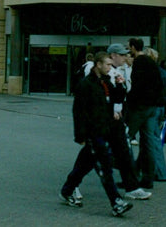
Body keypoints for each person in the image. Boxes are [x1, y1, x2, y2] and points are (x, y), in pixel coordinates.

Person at [59, 51, 133, 217]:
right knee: (105, 167)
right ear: (98, 65)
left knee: (84, 164)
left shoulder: (106, 82)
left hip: (105, 130)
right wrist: (80, 136)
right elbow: (78, 111)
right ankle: (116, 202)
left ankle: (67, 189)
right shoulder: (86, 85)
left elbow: (116, 99)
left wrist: (120, 85)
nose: (110, 67)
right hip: (93, 132)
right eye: (107, 64)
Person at [106, 43, 151, 200]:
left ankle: (131, 187)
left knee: (124, 152)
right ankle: (70, 187)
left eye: (126, 54)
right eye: (122, 55)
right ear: (113, 56)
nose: (126, 57)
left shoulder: (119, 71)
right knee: (92, 156)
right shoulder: (108, 72)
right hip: (109, 118)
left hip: (118, 117)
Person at [125, 38, 162, 188]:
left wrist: (129, 102)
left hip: (140, 106)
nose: (129, 51)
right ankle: (148, 178)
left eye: (129, 48)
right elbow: (159, 84)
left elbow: (137, 86)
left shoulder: (139, 63)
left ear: (133, 47)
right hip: (152, 106)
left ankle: (129, 176)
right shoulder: (152, 63)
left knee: (125, 137)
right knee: (148, 142)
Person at [144, 48, 166, 182]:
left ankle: (160, 171)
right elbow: (165, 94)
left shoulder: (151, 73)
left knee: (153, 140)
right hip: (160, 107)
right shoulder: (162, 72)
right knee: (152, 139)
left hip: (152, 107)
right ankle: (149, 169)